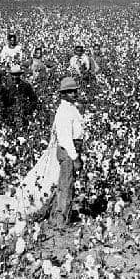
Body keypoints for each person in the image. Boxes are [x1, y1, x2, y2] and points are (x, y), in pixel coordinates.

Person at [52, 77, 85, 226]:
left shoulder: (71, 108)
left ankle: (62, 217)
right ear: (63, 94)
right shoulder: (64, 111)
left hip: (72, 149)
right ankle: (61, 221)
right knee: (65, 185)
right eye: (69, 92)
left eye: (74, 91)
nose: (73, 93)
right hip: (68, 151)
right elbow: (65, 138)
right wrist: (75, 157)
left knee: (67, 184)